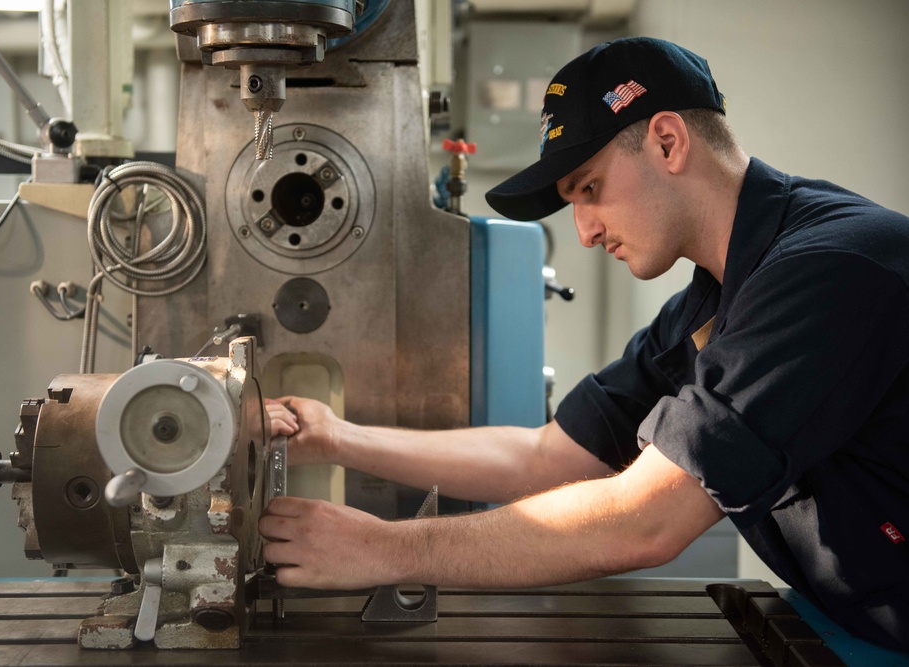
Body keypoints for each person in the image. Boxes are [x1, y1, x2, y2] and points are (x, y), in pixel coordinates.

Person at [257, 36, 909, 651]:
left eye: (589, 189)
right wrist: (338, 436)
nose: (585, 233)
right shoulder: (708, 303)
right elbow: (548, 456)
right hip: (847, 625)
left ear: (666, 140)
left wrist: (385, 549)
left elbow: (645, 520)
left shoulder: (830, 270)